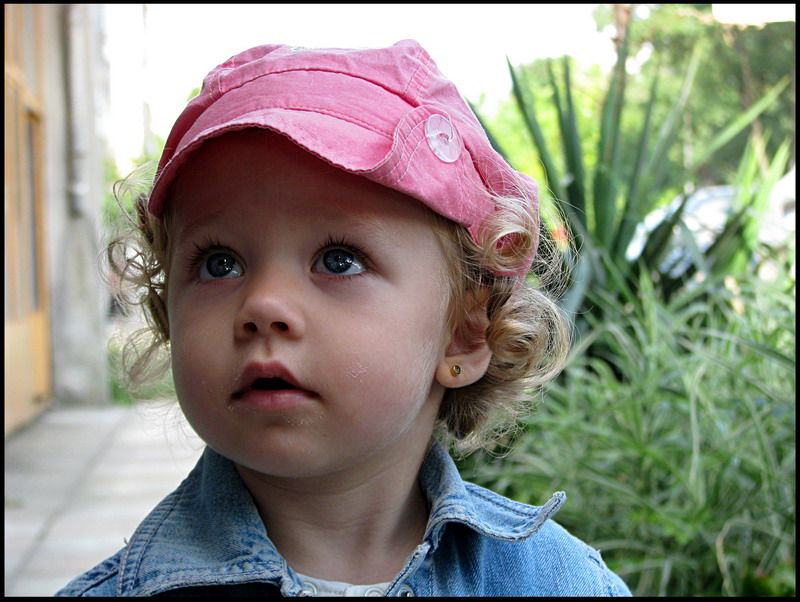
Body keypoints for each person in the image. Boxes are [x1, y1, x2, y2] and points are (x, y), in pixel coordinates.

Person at [56, 40, 631, 597]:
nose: (264, 304)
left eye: (339, 260)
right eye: (219, 263)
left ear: (464, 332)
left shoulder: (562, 584)